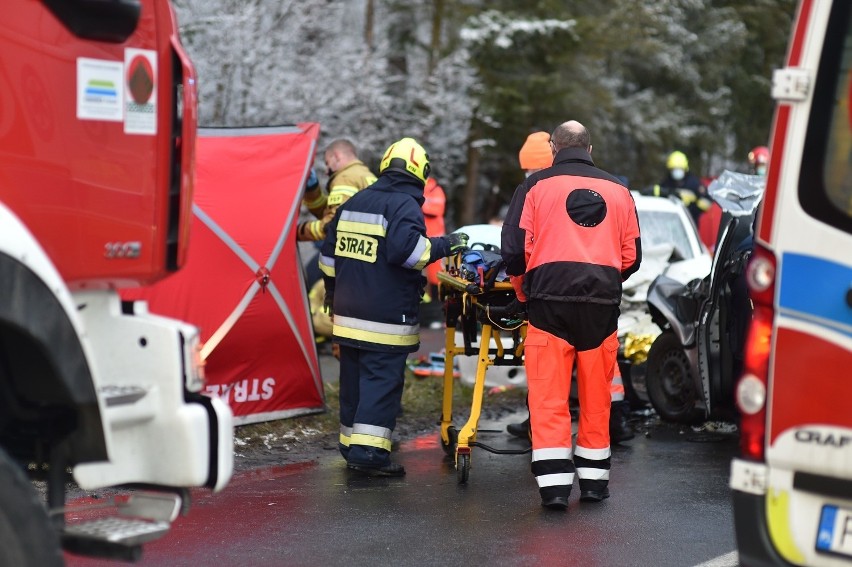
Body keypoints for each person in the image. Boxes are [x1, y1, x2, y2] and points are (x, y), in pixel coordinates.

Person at [501, 121, 641, 510]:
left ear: (553, 147)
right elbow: (632, 257)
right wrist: (603, 278)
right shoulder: (619, 190)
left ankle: (555, 489)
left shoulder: (532, 187)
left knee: (548, 398)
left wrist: (522, 288)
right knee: (597, 398)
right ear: (590, 149)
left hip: (547, 303)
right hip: (601, 307)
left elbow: (513, 249)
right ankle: (595, 484)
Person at [319, 137, 469, 477]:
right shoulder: (403, 206)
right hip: (384, 319)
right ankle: (369, 456)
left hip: (347, 314)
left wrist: (332, 291)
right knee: (380, 383)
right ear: (420, 173)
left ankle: (351, 445)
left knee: (353, 383)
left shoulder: (356, 200)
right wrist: (447, 244)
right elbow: (410, 254)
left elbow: (328, 257)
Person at [298, 138, 377, 242]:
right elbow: (331, 211)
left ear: (337, 156)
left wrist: (298, 231)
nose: (326, 171)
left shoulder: (346, 178)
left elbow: (332, 224)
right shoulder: (367, 175)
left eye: (327, 163)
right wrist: (312, 189)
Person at [648, 150, 709, 223]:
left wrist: (693, 202)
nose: (676, 172)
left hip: (690, 221)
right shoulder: (667, 182)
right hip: (669, 221)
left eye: (679, 169)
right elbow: (659, 192)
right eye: (674, 169)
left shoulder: (694, 183)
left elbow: (707, 202)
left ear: (685, 169)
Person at [420, 176, 448, 327]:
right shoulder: (421, 189)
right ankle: (425, 312)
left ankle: (438, 313)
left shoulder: (436, 190)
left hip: (435, 240)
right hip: (420, 239)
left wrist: (419, 202)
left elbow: (436, 209)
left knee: (436, 278)